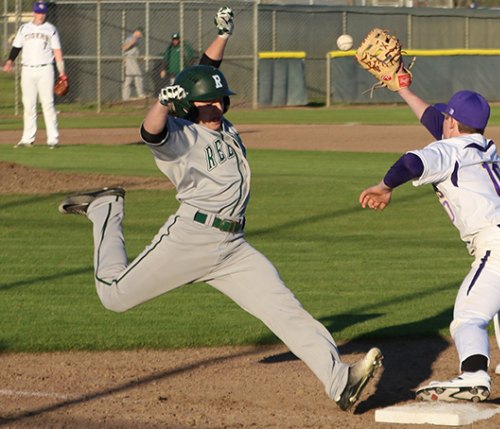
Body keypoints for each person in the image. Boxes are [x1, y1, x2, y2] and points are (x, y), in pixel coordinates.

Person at [58, 6, 382, 412]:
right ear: (190, 107)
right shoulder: (181, 136)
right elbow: (149, 131)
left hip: (232, 246)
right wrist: (162, 100)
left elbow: (205, 70)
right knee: (114, 296)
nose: (219, 106)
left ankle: (340, 381)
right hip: (192, 238)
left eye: (220, 99)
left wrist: (223, 35)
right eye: (209, 103)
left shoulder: (221, 124)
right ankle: (106, 208)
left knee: (284, 308)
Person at [359, 80, 500, 402]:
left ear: (452, 121)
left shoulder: (445, 151)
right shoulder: (485, 147)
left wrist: (384, 186)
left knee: (468, 317)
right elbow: (441, 127)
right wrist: (404, 91)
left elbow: (411, 162)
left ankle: (474, 375)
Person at [2, 1, 66, 149]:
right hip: (27, 69)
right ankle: (27, 138)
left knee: (48, 104)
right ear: (33, 12)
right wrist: (10, 61)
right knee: (29, 105)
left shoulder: (51, 29)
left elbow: (57, 51)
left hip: (45, 69)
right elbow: (16, 46)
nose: (40, 15)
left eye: (43, 13)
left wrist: (61, 71)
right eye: (38, 12)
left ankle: (53, 139)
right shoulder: (24, 28)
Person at [122, 27, 146, 100]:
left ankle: (125, 97)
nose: (141, 35)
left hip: (132, 59)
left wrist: (142, 57)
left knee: (129, 79)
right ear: (137, 32)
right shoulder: (132, 38)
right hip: (130, 59)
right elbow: (124, 47)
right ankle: (140, 93)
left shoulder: (134, 38)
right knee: (138, 75)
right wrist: (132, 41)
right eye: (141, 33)